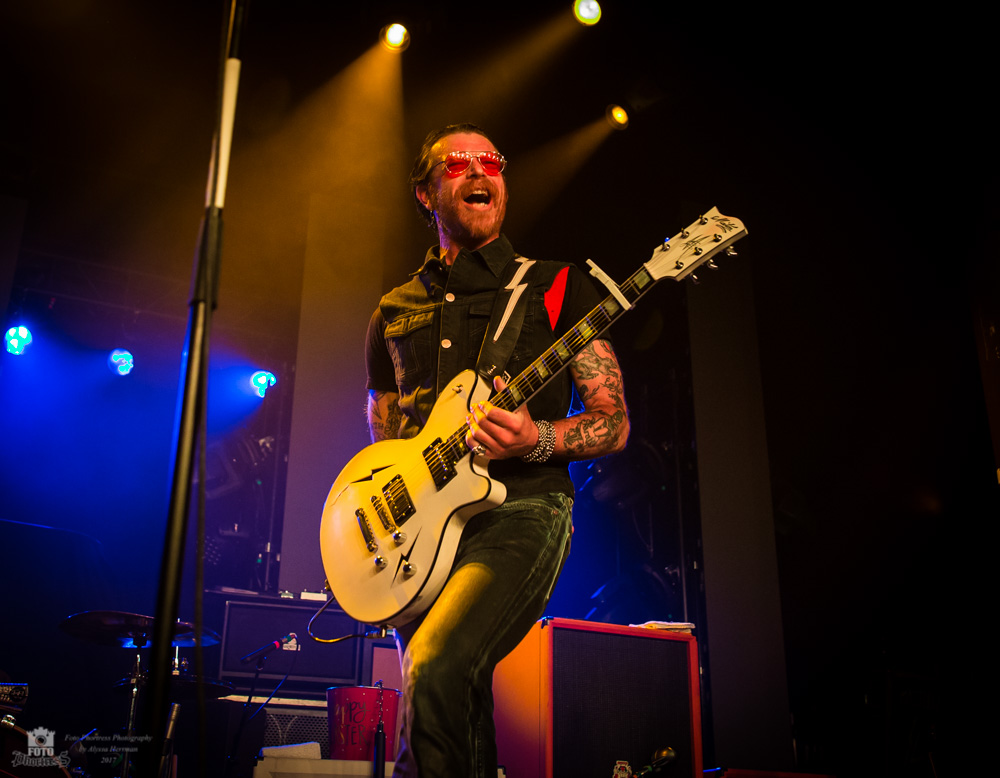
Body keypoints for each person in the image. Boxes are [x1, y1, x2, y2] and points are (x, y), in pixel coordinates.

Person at [364, 122, 630, 777]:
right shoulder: (393, 308)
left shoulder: (556, 285)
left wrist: (534, 436)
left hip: (522, 509)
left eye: (492, 162)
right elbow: (383, 417)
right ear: (426, 193)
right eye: (456, 165)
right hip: (424, 532)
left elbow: (613, 422)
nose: (478, 172)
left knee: (434, 665)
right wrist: (401, 499)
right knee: (450, 699)